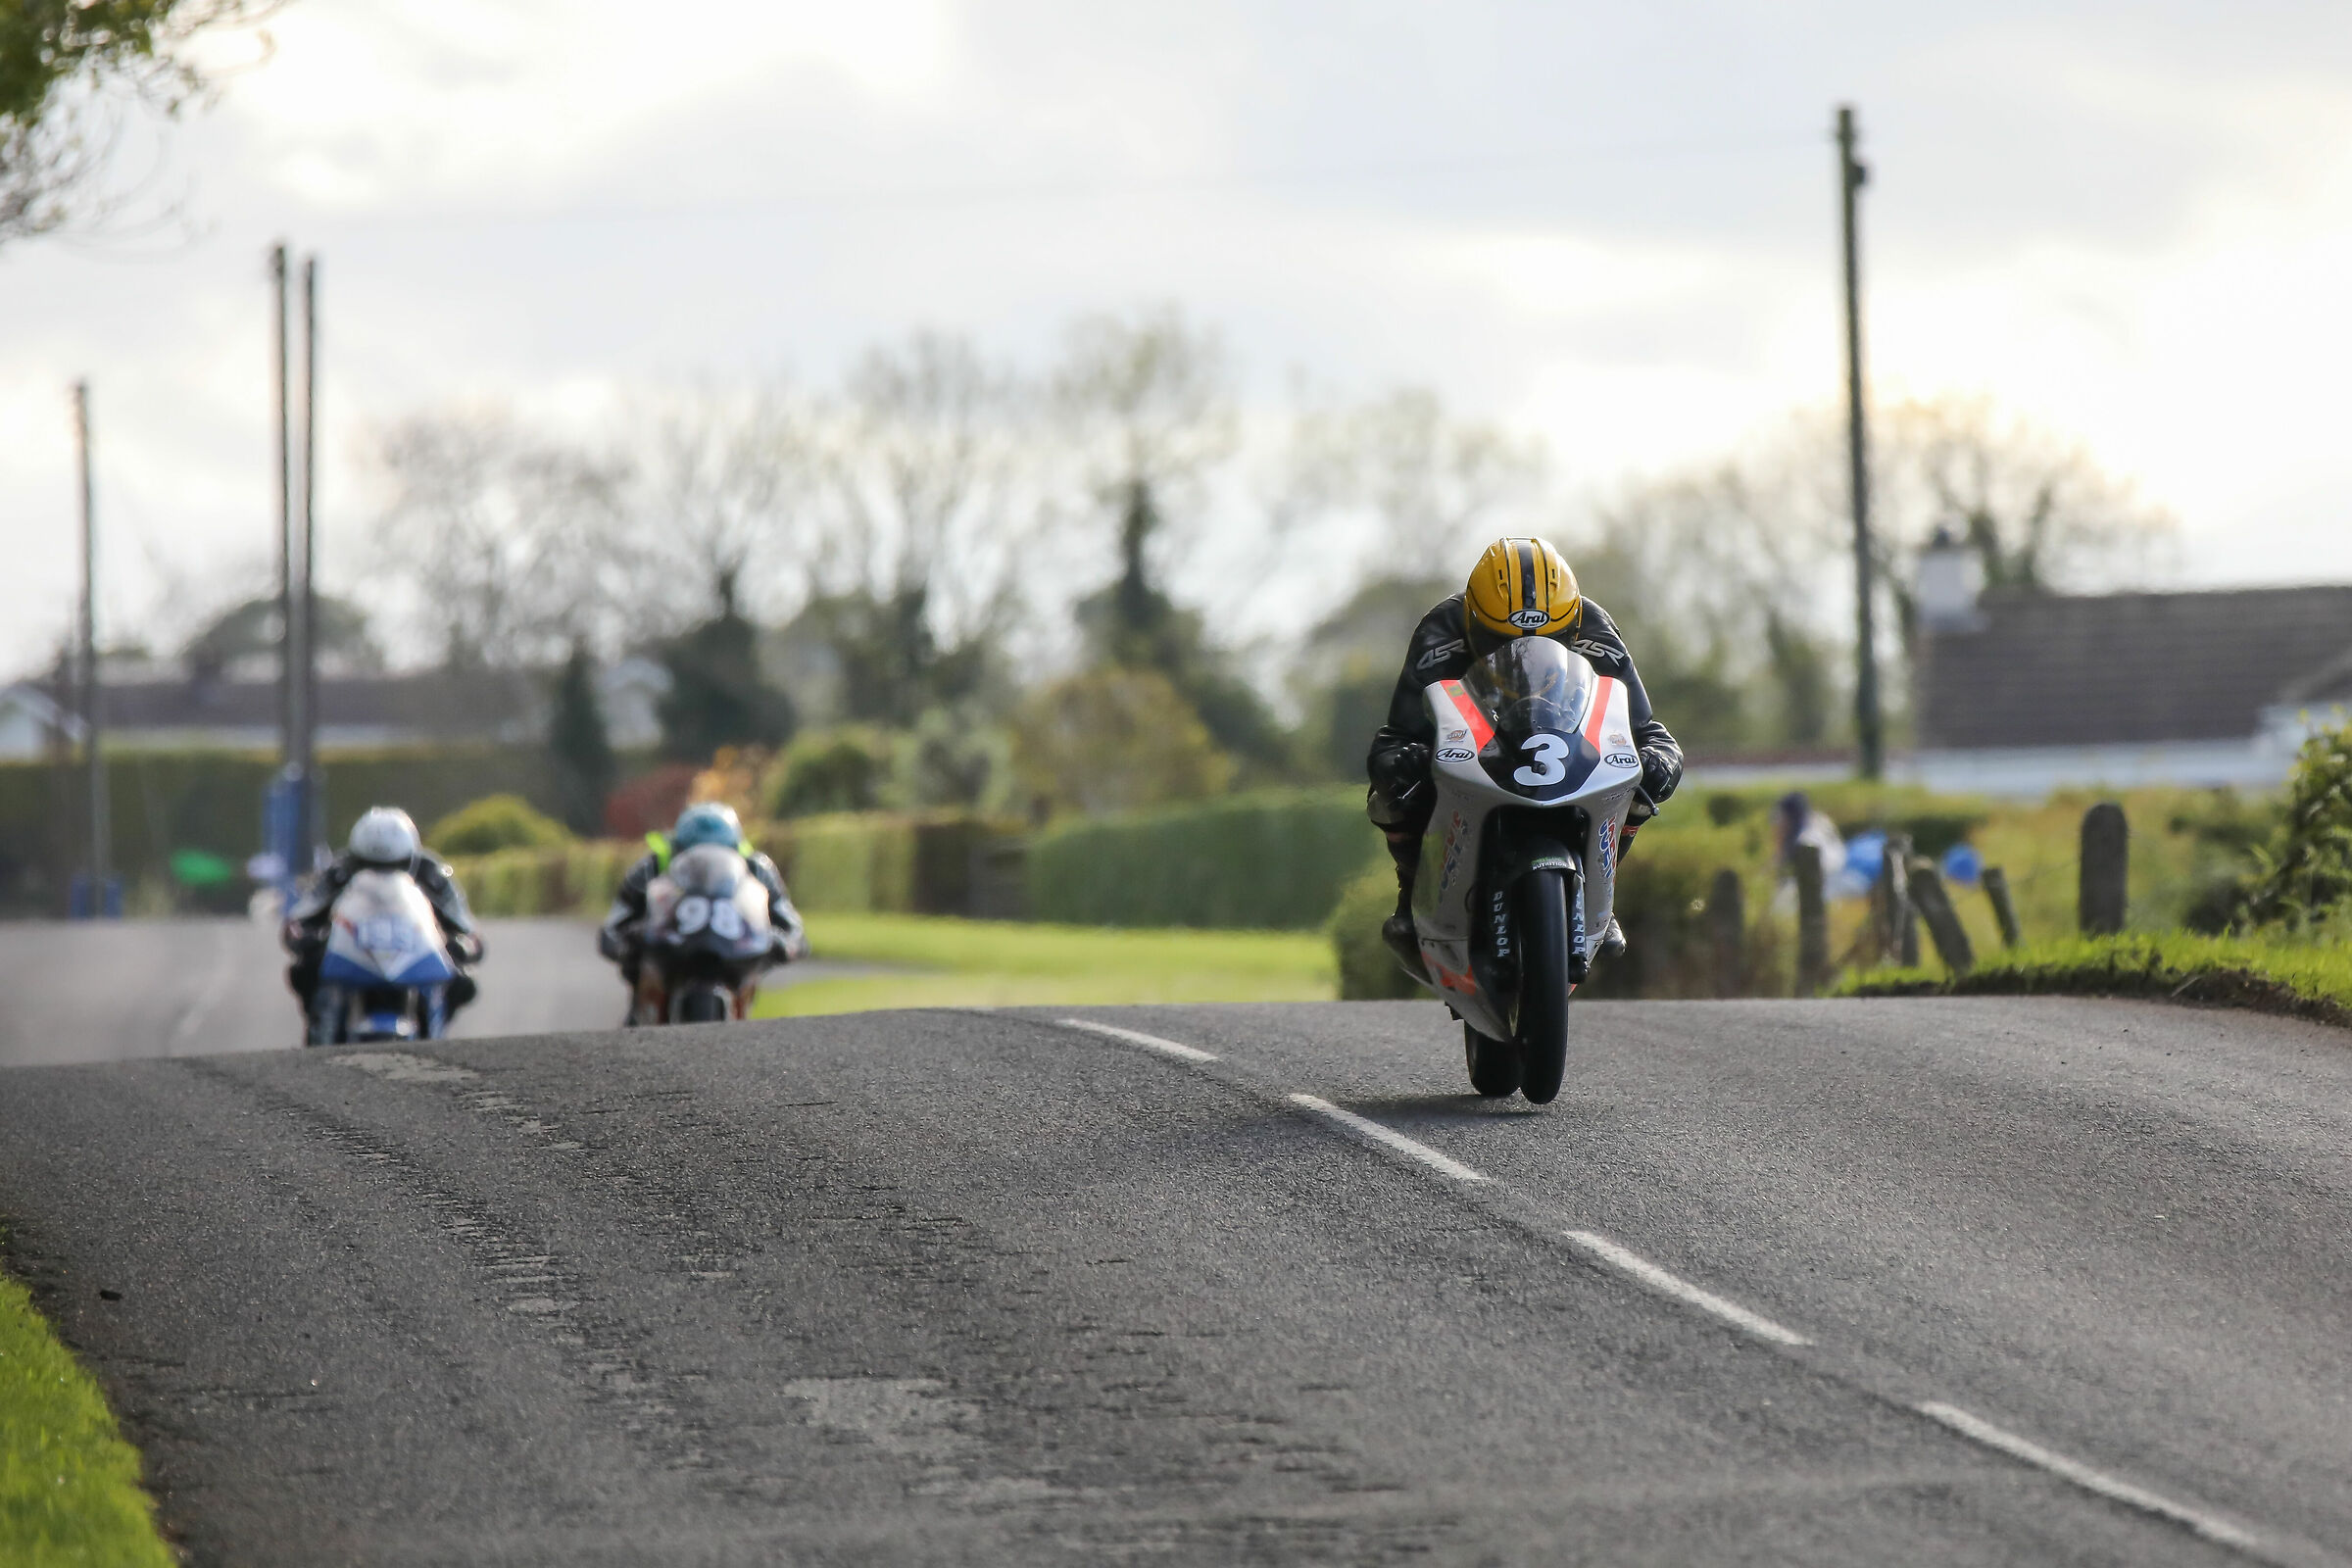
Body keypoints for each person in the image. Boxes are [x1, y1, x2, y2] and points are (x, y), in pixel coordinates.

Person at [1364, 536, 1683, 977]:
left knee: (1639, 784)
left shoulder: (1594, 626)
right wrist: (1402, 760)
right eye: (1498, 638)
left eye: (1549, 637)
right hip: (1478, 743)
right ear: (1474, 619)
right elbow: (1396, 734)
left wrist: (1659, 759)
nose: (1521, 650)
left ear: (1570, 628)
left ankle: (1601, 903)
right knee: (1390, 793)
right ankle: (1410, 897)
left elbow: (1645, 728)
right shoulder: (1440, 629)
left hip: (1567, 745)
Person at [283, 806, 483, 1016]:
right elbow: (303, 914)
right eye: (369, 866)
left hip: (414, 952)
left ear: (411, 858)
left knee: (462, 980)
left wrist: (463, 945)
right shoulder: (339, 871)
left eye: (395, 865)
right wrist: (304, 938)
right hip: (350, 951)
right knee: (304, 969)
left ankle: (434, 1029)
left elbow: (464, 924)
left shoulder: (432, 874)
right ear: (356, 859)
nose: (382, 876)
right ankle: (321, 1026)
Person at [597, 803, 808, 1002]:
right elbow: (615, 924)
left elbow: (791, 926)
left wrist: (784, 942)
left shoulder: (758, 869)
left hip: (733, 959)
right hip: (666, 958)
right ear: (677, 850)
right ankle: (639, 1019)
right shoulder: (649, 869)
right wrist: (626, 942)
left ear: (736, 850)